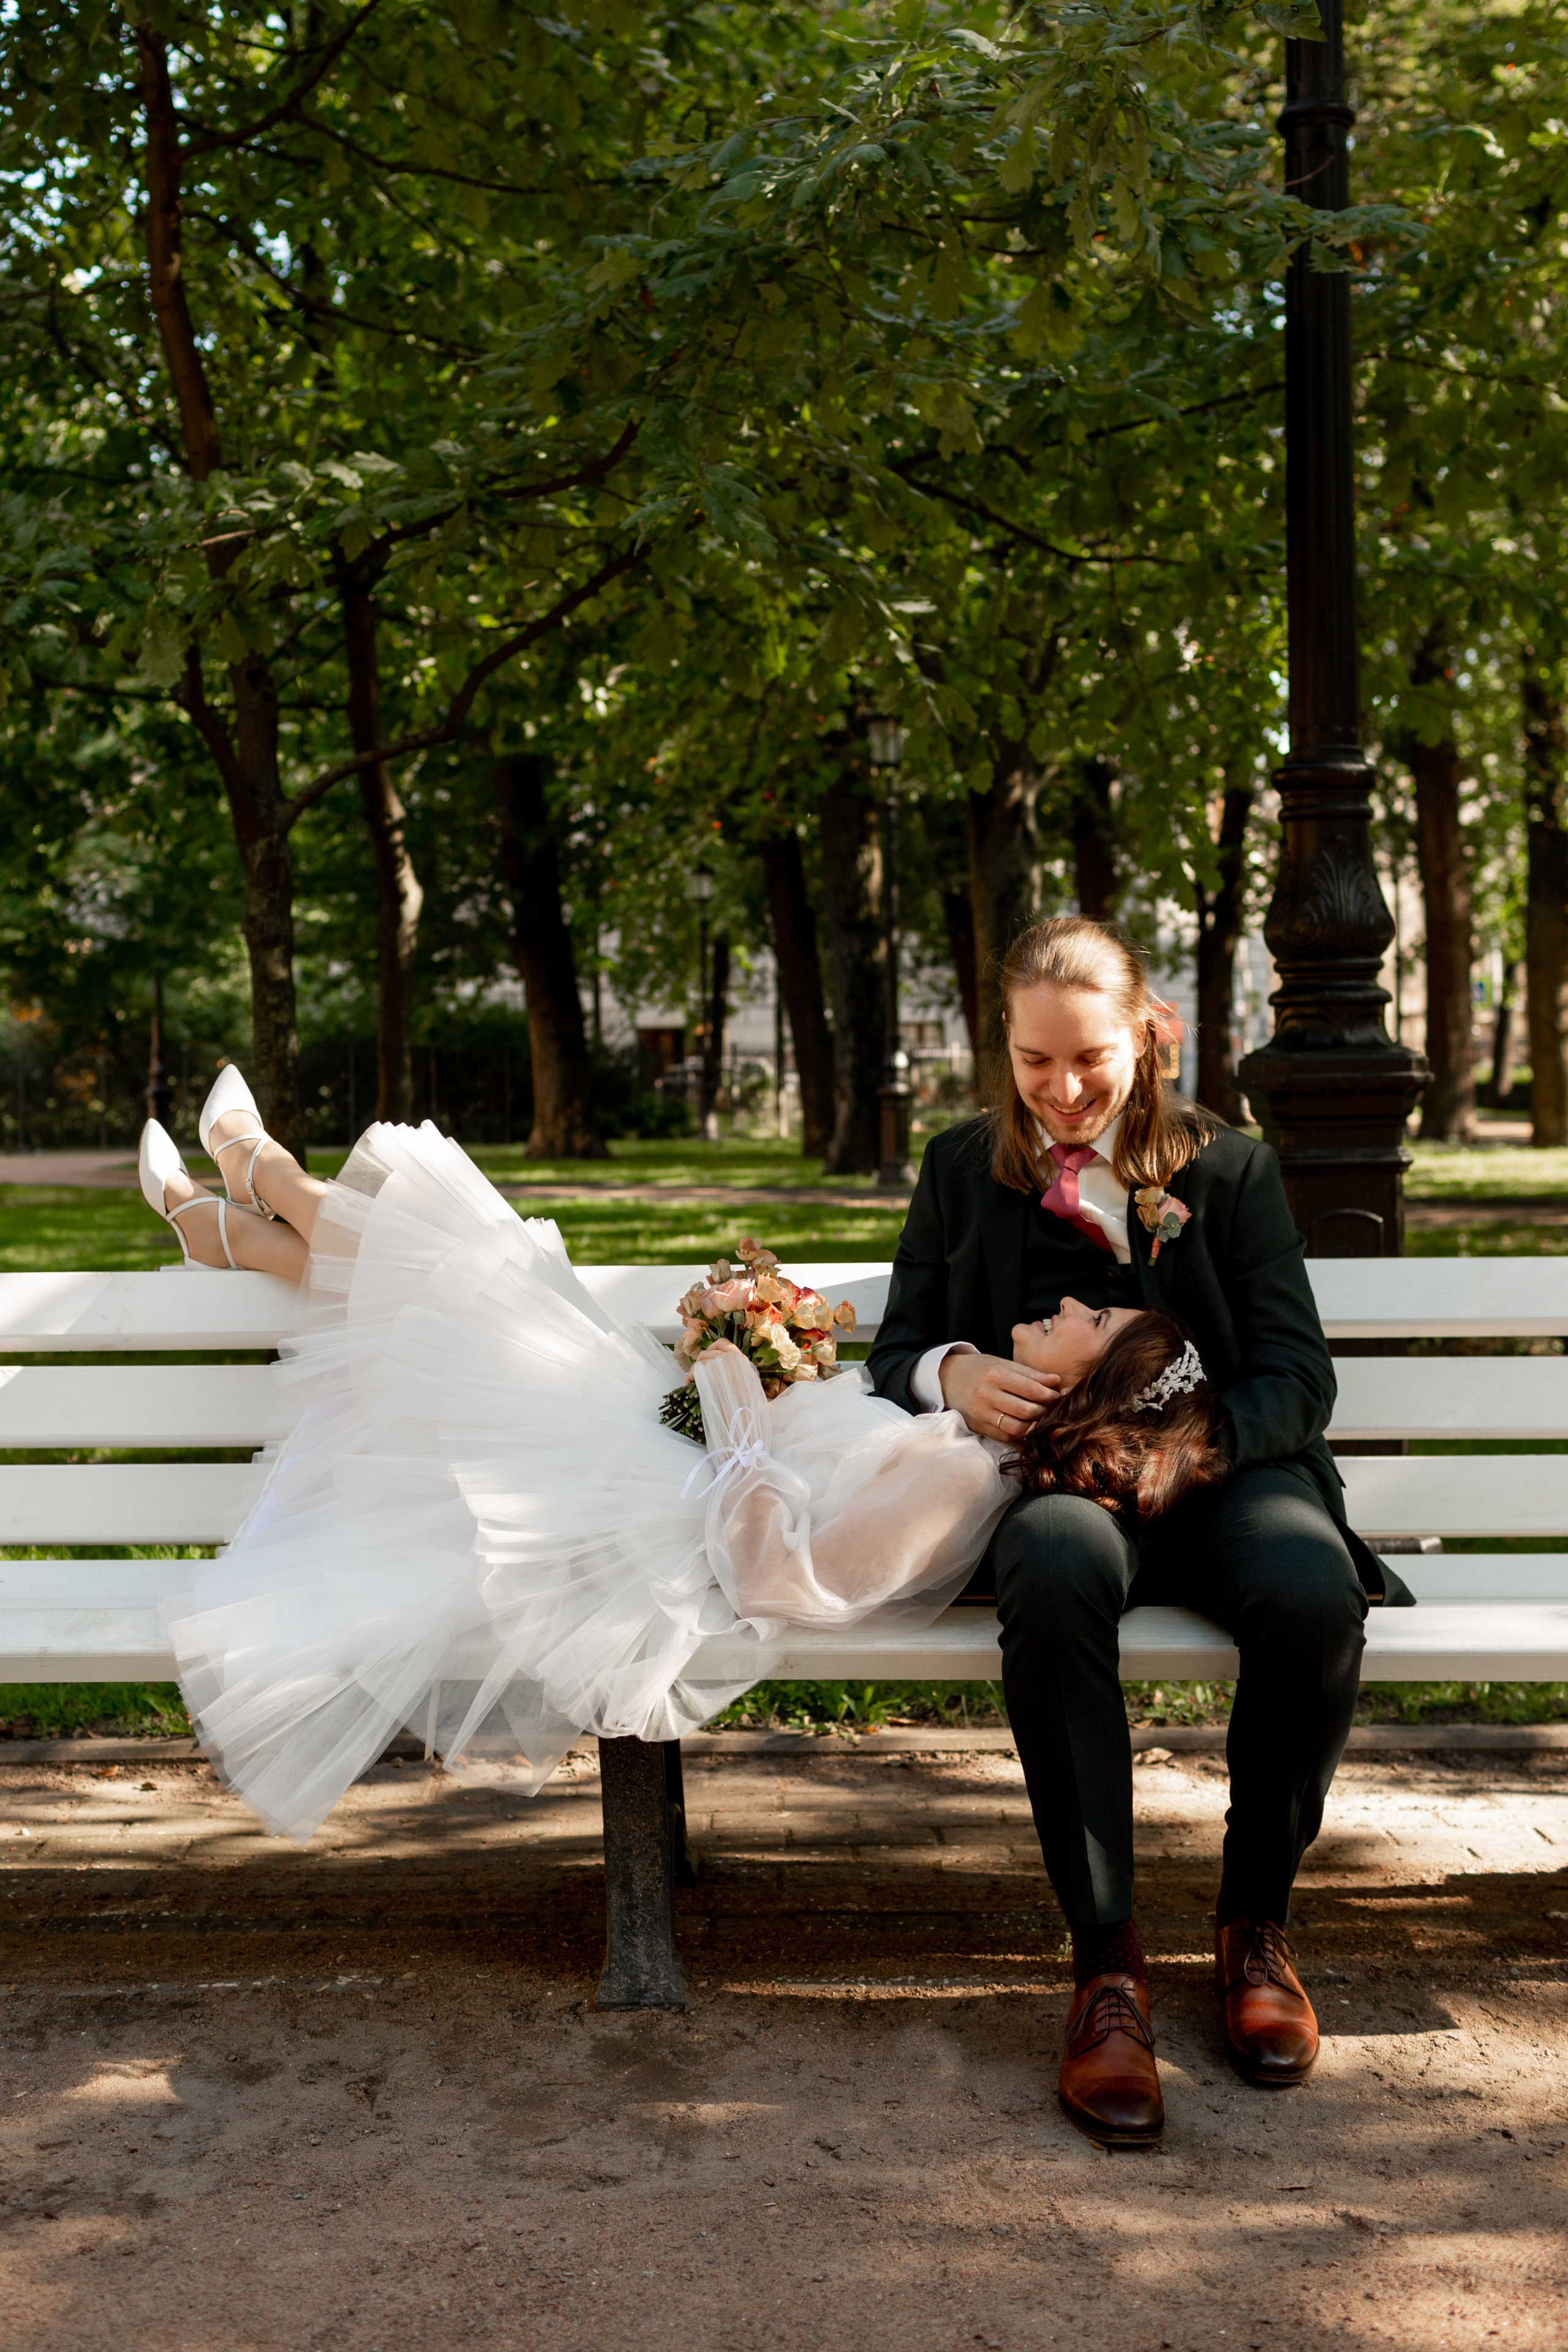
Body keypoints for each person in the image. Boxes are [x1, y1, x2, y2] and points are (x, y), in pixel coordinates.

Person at [135, 1071, 1223, 1855]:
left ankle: (257, 1173)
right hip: (666, 1460)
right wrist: (760, 1375)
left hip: (655, 1526)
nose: (1070, 1301)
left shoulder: (964, 1479)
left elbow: (776, 1579)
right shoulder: (967, 1438)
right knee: (481, 1292)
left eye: (1094, 1320)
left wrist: (737, 1397)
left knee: (479, 1282)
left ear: (1084, 1391)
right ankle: (232, 1221)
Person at [867, 915, 1414, 2150]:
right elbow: (896, 1348)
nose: (1063, 1091)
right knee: (1053, 1561)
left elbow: (1297, 1376)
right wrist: (951, 1372)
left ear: (1148, 1037)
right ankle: (1105, 1968)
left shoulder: (1229, 1169)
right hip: (1059, 1490)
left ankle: (1253, 1929)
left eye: (1090, 1060)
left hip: (1227, 1473)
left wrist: (1177, 1457)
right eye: (1034, 1061)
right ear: (1002, 1048)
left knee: (1311, 1589)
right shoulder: (958, 1167)